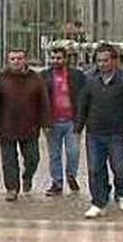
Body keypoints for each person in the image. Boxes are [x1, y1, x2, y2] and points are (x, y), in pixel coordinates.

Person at [76, 44, 123, 219]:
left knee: (120, 168)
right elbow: (83, 105)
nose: (102, 64)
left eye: (106, 60)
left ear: (114, 60)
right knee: (95, 168)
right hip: (95, 132)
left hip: (118, 133)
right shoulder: (90, 80)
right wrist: (78, 128)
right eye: (99, 61)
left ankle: (122, 193)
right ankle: (98, 202)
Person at [0, 49, 51, 202]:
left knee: (33, 158)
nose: (16, 62)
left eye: (19, 58)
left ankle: (27, 177)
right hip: (6, 126)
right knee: (8, 161)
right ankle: (12, 188)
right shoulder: (0, 78)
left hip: (30, 126)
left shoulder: (36, 78)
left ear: (25, 60)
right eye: (12, 59)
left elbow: (44, 101)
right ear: (8, 61)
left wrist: (45, 123)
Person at [40, 47, 87, 196]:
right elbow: (40, 99)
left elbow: (84, 96)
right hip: (52, 122)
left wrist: (82, 118)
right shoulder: (44, 76)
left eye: (59, 58)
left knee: (73, 152)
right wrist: (43, 120)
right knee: (54, 154)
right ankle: (57, 182)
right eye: (53, 58)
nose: (55, 61)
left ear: (65, 59)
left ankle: (71, 176)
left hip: (72, 121)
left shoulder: (77, 75)